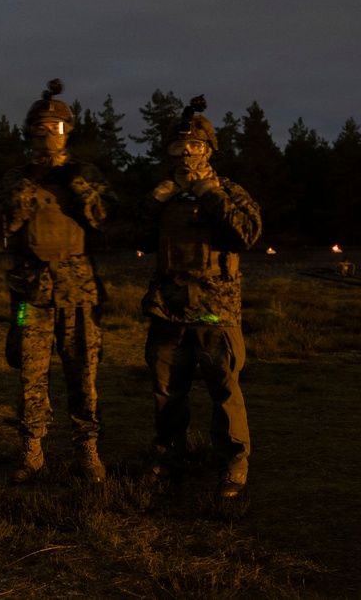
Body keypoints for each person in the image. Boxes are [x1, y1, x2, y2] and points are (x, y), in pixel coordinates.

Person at [134, 95, 262, 499]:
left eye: (194, 145)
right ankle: (168, 462)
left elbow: (246, 234)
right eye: (178, 146)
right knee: (167, 394)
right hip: (168, 310)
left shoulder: (228, 190)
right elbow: (136, 237)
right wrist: (160, 197)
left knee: (225, 392)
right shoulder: (162, 194)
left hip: (214, 312)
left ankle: (233, 466)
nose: (186, 152)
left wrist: (209, 192)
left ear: (209, 149)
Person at [0, 79, 117, 484]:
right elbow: (5, 223)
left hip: (78, 293)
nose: (49, 134)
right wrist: (31, 183)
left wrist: (75, 182)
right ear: (30, 132)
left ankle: (87, 450)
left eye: (57, 128)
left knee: (83, 377)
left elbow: (105, 219)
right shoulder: (17, 177)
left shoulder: (87, 173)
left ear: (69, 131)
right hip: (31, 294)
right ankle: (32, 451)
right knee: (31, 376)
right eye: (41, 128)